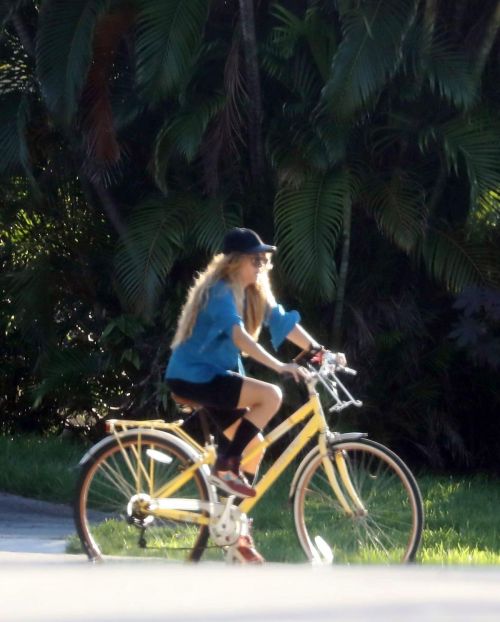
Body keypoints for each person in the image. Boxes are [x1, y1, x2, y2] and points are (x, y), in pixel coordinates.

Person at [165, 227, 342, 563]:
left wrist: (321, 352)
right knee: (271, 395)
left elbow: (283, 323)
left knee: (255, 449)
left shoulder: (254, 291)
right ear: (234, 262)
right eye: (254, 259)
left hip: (213, 377)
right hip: (193, 377)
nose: (261, 265)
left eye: (264, 259)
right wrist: (279, 366)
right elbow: (239, 337)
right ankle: (224, 465)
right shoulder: (219, 292)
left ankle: (236, 534)